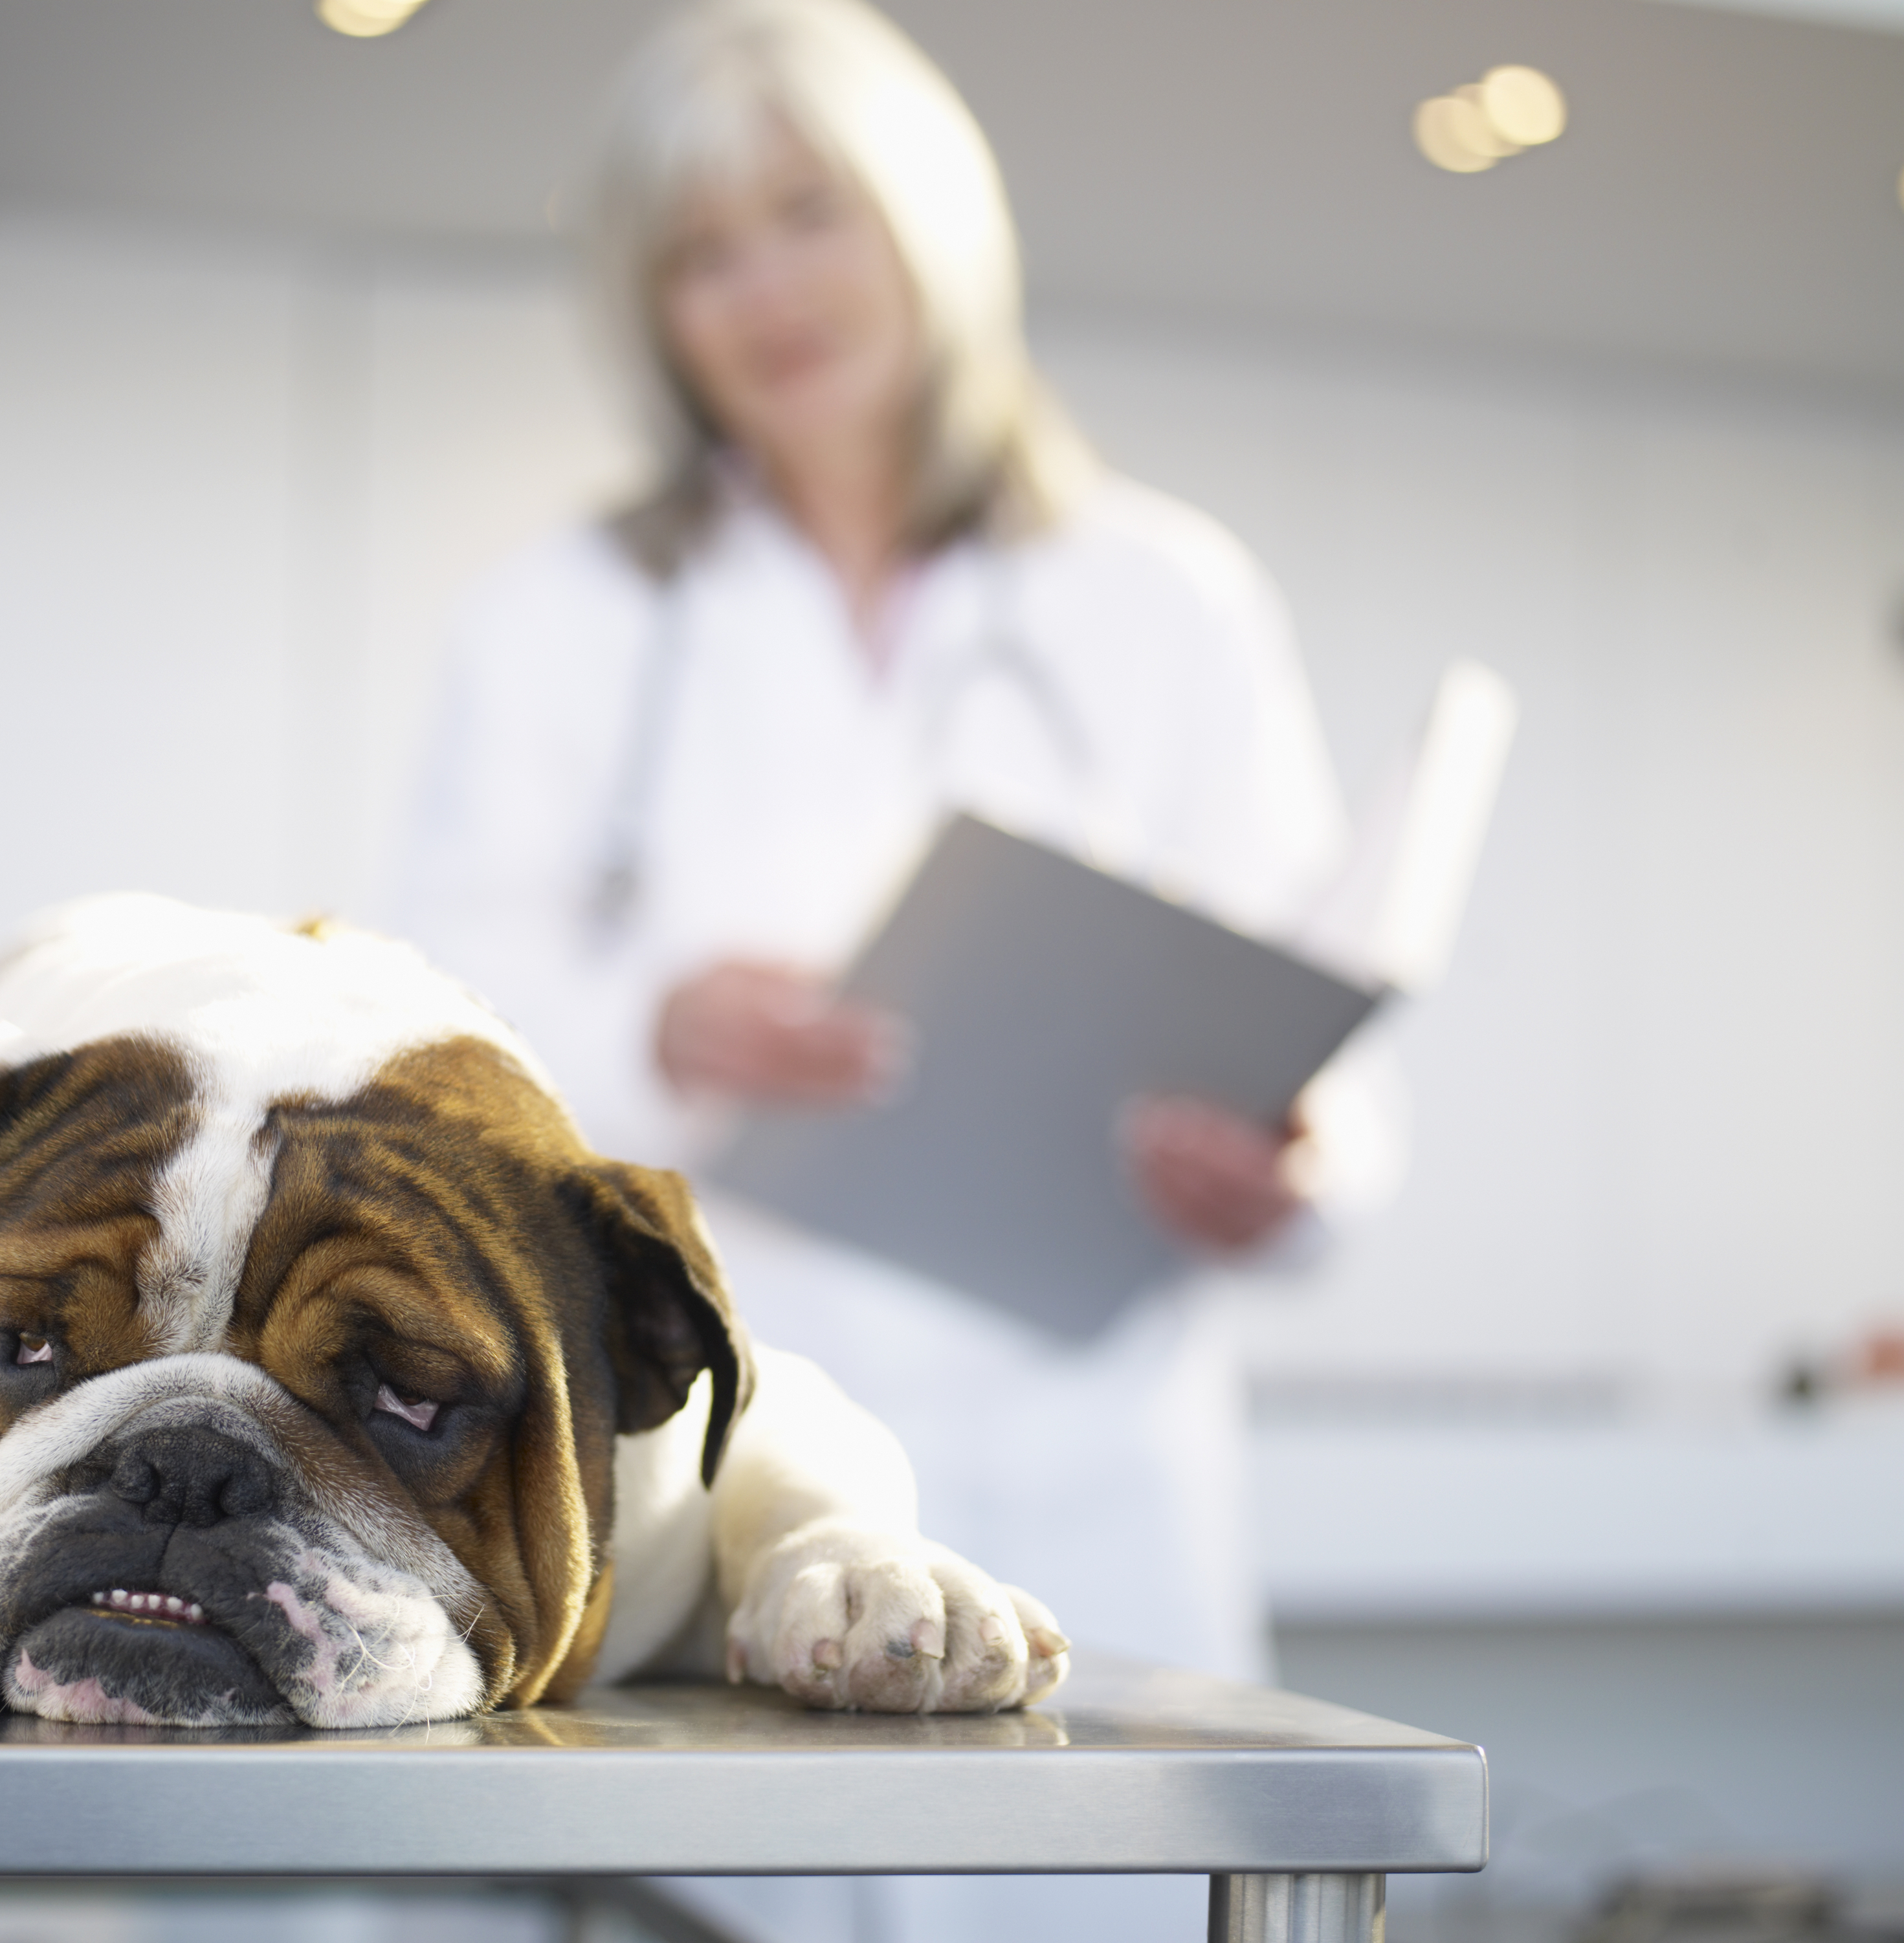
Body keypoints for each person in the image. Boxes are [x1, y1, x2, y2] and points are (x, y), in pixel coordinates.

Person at [394, 1, 1398, 1931]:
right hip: (731, 1461)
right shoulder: (569, 617)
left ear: (929, 220)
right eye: (698, 252)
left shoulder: (1160, 599)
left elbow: (1325, 1045)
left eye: (805, 211)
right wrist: (657, 1019)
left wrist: (1293, 1162)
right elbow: (436, 1036)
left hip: (1086, 1457)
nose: (762, 285)